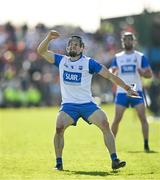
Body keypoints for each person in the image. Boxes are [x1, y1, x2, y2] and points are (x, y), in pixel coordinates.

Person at [37, 30, 138, 171]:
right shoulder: (61, 60)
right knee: (59, 127)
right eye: (70, 45)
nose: (72, 47)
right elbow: (41, 51)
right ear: (67, 48)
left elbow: (109, 76)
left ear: (82, 48)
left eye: (76, 45)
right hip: (68, 106)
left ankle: (115, 160)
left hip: (87, 104)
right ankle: (59, 163)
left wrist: (127, 88)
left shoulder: (89, 63)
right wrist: (48, 38)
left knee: (104, 123)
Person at [110, 32, 152, 152]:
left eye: (130, 39)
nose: (128, 42)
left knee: (143, 118)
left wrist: (143, 73)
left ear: (134, 41)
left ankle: (146, 144)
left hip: (136, 91)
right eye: (126, 40)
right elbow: (110, 71)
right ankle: (111, 144)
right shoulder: (117, 57)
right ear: (123, 42)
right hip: (122, 92)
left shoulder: (140, 56)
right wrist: (113, 72)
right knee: (117, 119)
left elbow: (149, 74)